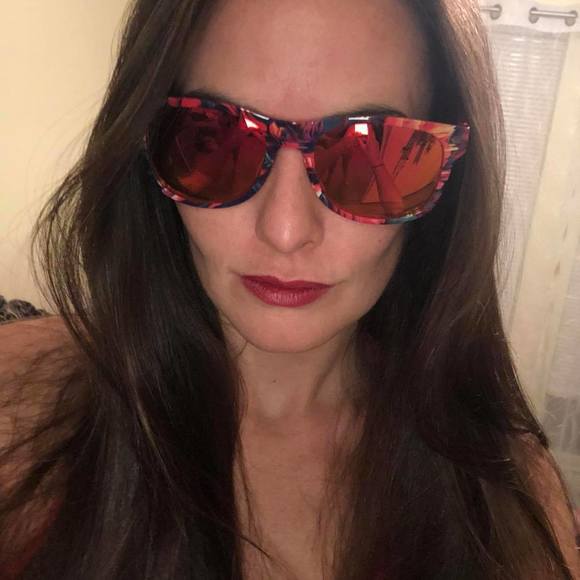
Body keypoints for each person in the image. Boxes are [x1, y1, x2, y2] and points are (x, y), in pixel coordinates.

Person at [0, 0, 578, 578]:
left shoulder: (510, 494)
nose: (285, 230)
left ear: (444, 177)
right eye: (214, 141)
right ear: (146, 148)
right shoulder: (16, 407)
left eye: (371, 155)